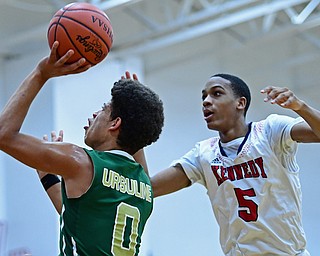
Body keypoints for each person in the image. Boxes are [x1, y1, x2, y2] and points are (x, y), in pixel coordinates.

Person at [34, 73, 320, 255]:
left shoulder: (271, 131)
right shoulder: (203, 154)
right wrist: (136, 130)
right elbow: (141, 189)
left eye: (216, 94)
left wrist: (300, 107)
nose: (206, 102)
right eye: (203, 97)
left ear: (241, 102)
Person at [0, 42, 164, 256]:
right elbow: (81, 218)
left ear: (115, 124)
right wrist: (48, 178)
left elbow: (4, 134)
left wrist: (41, 73)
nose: (94, 114)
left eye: (104, 109)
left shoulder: (81, 161)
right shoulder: (144, 187)